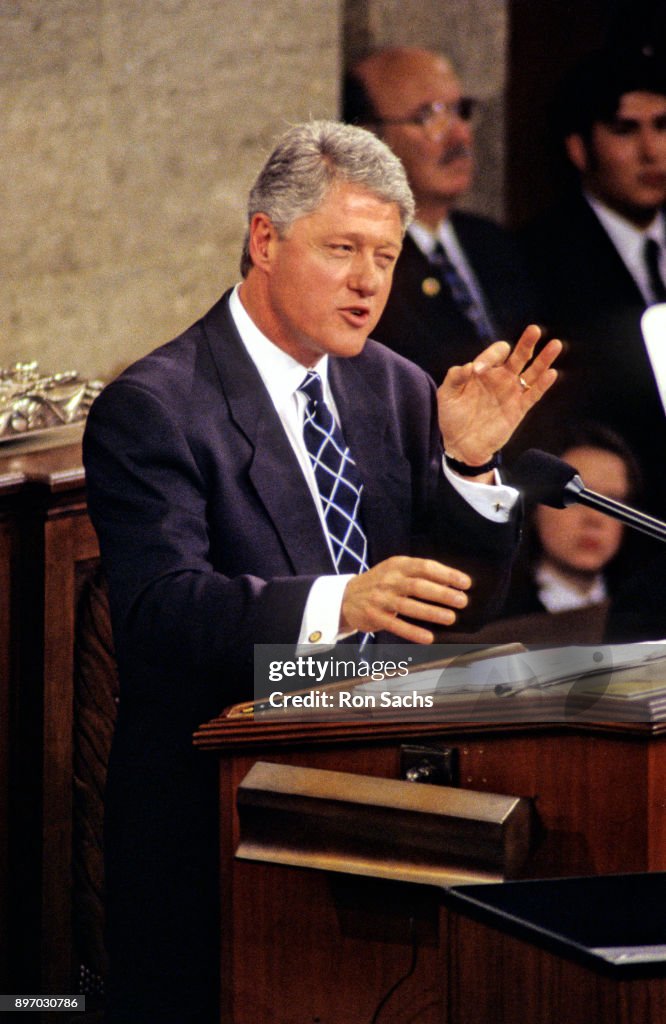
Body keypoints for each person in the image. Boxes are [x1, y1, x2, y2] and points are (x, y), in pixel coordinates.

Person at [82, 120, 560, 1022]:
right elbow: (161, 614)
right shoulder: (157, 407)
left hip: (387, 797)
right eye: (343, 249)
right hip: (222, 825)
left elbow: (456, 611)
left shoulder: (395, 385)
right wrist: (344, 602)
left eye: (386, 255)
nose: (369, 282)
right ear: (265, 238)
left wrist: (467, 470)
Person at [519, 47, 666, 514]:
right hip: (614, 509)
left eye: (663, 126)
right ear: (579, 148)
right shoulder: (535, 256)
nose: (652, 151)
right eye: (625, 130)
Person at [344, 46, 539, 384]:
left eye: (461, 111)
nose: (459, 134)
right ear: (367, 135)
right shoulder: (362, 264)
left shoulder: (492, 241)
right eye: (428, 116)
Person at [497, 423, 642, 642]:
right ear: (535, 508)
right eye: (576, 498)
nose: (595, 518)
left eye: (614, 501)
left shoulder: (644, 611)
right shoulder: (496, 620)